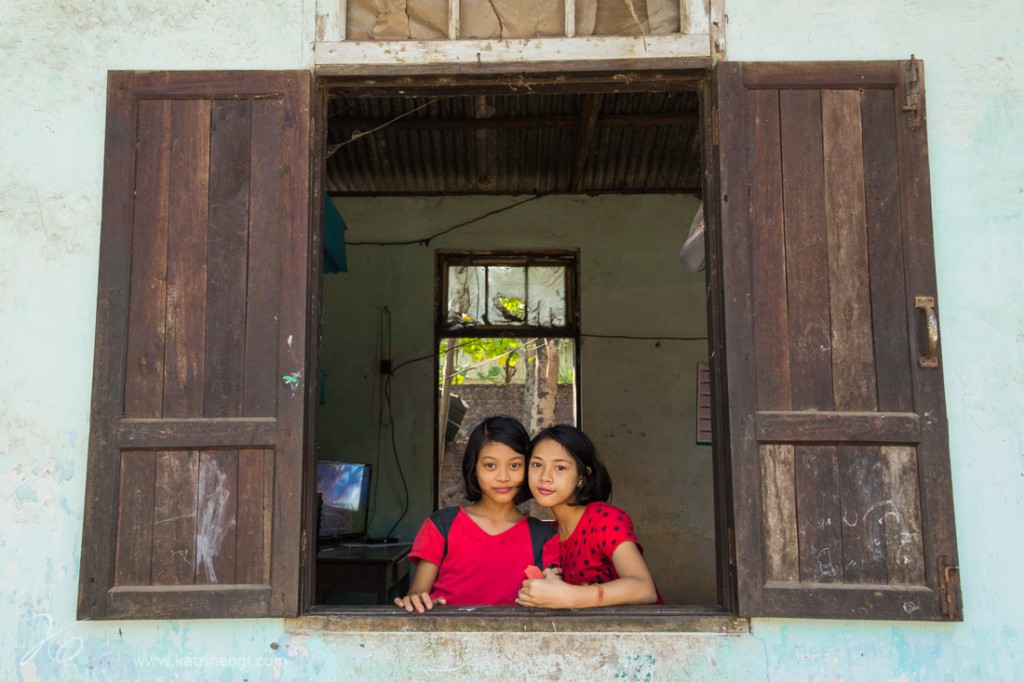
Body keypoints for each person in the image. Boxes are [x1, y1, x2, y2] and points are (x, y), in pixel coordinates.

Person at [395, 416, 558, 612]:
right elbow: (418, 591)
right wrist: (415, 600)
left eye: (515, 465)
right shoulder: (442, 525)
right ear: (473, 469)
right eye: (490, 465)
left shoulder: (543, 537)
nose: (503, 477)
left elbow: (551, 599)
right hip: (446, 636)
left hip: (515, 639)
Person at [516, 424, 661, 608]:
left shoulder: (605, 520)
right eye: (537, 465)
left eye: (560, 468)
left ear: (582, 476)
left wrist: (571, 596)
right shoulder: (550, 535)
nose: (545, 476)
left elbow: (644, 589)